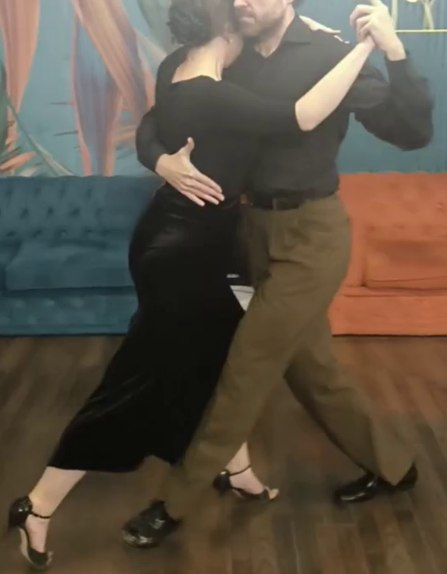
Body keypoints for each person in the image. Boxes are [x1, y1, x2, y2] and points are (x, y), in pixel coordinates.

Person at [6, 0, 380, 569]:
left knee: (223, 351)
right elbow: (303, 115)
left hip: (177, 241)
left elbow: (154, 124)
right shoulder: (213, 94)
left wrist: (159, 159)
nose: (247, 19)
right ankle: (38, 505)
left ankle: (237, 469)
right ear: (225, 29)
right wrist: (364, 47)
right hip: (182, 252)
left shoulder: (175, 69)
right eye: (238, 16)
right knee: (137, 380)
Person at [122, 0, 433, 550]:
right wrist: (159, 159)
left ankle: (172, 504)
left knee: (246, 366)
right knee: (313, 372)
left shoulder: (330, 53)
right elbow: (162, 115)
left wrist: (395, 52)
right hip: (249, 231)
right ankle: (395, 467)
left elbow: (411, 132)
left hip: (312, 237)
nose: (241, 2)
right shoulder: (230, 52)